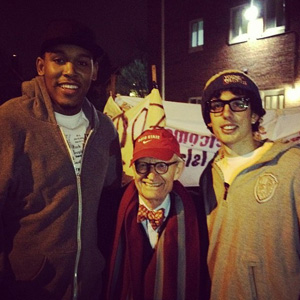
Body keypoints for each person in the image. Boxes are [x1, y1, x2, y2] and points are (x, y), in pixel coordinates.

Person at [0, 20, 122, 300]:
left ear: (94, 71)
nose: (70, 71)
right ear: (41, 67)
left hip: (91, 287)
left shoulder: (105, 130)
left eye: (82, 63)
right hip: (26, 289)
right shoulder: (10, 122)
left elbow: (110, 201)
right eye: (59, 60)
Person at [199, 69, 300, 299]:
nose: (226, 113)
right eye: (217, 105)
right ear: (209, 120)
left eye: (239, 104)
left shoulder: (292, 166)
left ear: (254, 115)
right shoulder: (209, 176)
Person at [106, 127, 203, 300]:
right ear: (134, 170)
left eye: (161, 165)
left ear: (178, 169)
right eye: (142, 165)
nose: (151, 176)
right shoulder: (109, 213)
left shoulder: (199, 218)